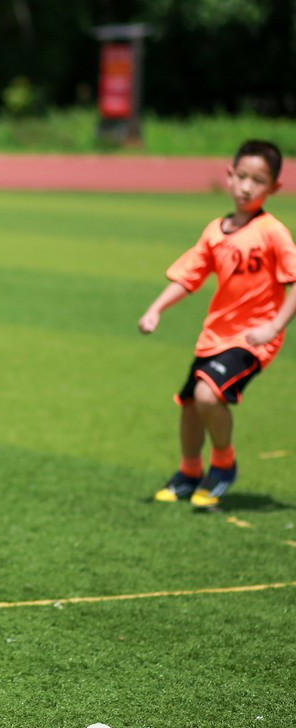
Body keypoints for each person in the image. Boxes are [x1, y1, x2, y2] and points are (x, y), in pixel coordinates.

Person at [139, 139, 296, 509]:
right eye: (241, 176)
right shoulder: (215, 231)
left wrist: (274, 327)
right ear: (229, 175)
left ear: (273, 188)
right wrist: (156, 308)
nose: (245, 187)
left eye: (257, 180)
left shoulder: (273, 231)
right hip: (216, 336)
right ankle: (188, 472)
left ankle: (223, 465)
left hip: (254, 337)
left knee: (209, 395)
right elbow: (188, 277)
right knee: (191, 403)